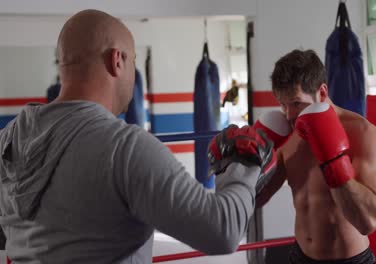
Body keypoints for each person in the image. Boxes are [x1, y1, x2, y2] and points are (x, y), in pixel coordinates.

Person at [0, 9, 276, 264]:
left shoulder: (9, 138)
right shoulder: (123, 148)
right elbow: (222, 231)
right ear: (117, 60)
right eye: (132, 61)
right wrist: (244, 163)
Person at [254, 49, 376, 264]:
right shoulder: (287, 134)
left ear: (322, 93)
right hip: (300, 256)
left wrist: (333, 163)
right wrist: (249, 164)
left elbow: (368, 222)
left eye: (296, 103)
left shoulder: (363, 134)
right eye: (282, 104)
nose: (288, 115)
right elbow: (260, 198)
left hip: (349, 260)